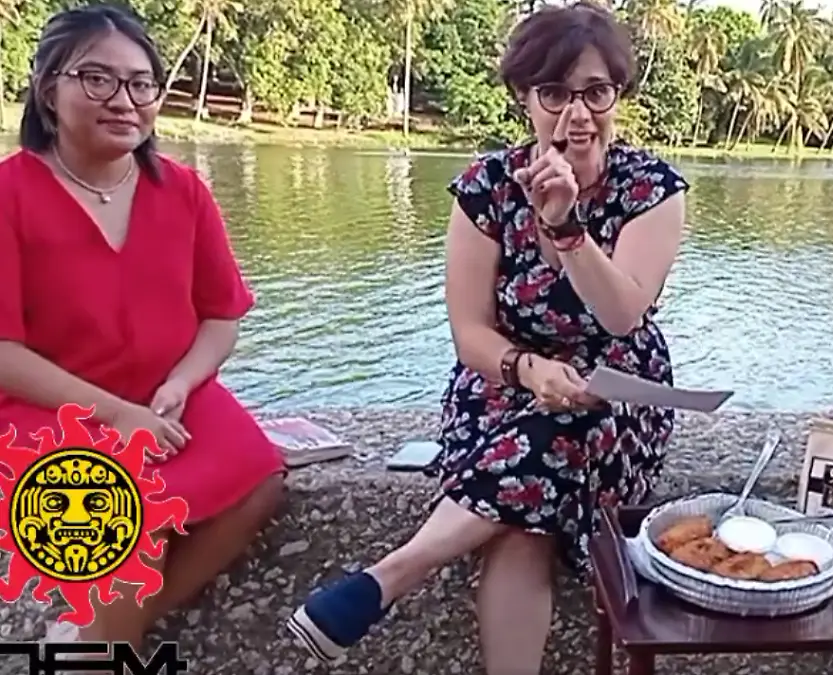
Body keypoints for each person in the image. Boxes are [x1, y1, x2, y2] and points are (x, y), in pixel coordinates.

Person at [286, 2, 688, 672]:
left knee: (575, 423)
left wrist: (566, 228)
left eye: (596, 92)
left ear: (618, 95)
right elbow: (469, 332)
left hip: (615, 396)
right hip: (504, 384)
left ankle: (391, 574)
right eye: (555, 93)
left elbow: (623, 314)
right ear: (524, 98)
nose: (577, 114)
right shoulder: (487, 187)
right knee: (523, 525)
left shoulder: (650, 188)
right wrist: (529, 370)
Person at [0, 5, 285, 647]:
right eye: (97, 79)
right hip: (46, 409)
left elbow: (222, 316)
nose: (124, 100)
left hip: (165, 396)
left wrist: (182, 382)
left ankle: (92, 640)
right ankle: (109, 650)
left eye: (140, 83)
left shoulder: (182, 190)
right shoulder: (8, 194)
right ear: (48, 89)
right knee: (125, 523)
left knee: (259, 482)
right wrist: (115, 415)